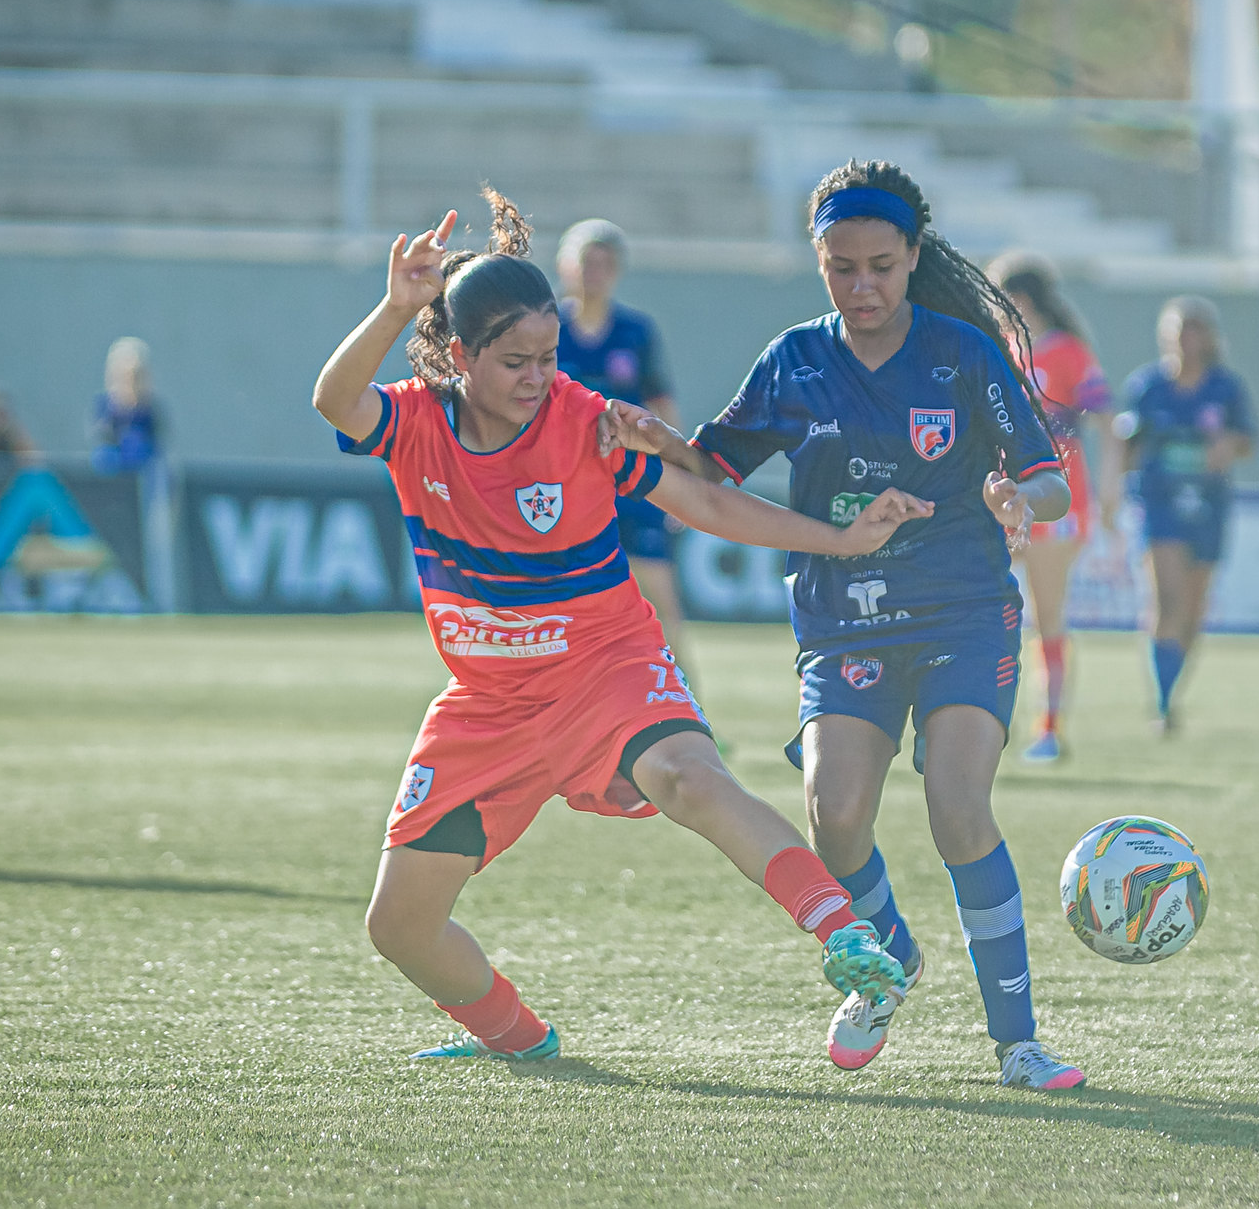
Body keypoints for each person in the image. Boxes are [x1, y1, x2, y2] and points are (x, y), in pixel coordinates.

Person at [313, 189, 928, 1065]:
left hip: (607, 664)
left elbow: (706, 500)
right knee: (400, 924)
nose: (541, 378)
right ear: (458, 356)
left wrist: (839, 537)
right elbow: (335, 399)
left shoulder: (581, 421)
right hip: (488, 704)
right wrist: (393, 306)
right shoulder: (416, 421)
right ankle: (520, 1040)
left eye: (549, 356)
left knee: (688, 775)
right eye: (517, 361)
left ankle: (844, 933)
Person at [600, 160, 1087, 1090]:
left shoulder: (963, 353)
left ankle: (1018, 1042)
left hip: (963, 613)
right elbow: (712, 468)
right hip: (844, 623)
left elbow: (1050, 475)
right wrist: (651, 441)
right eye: (841, 268)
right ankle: (890, 955)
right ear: (818, 262)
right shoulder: (794, 359)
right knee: (836, 814)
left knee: (958, 806)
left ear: (913, 258)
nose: (862, 286)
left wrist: (1018, 498)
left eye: (881, 266)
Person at [986, 252, 1119, 764]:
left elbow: (1107, 420)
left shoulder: (1065, 351)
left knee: (1047, 616)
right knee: (984, 604)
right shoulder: (1002, 349)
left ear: (1020, 298)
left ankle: (1049, 728)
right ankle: (980, 720)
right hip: (1003, 496)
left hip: (1058, 501)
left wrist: (1109, 489)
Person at [1112, 296, 1256, 733]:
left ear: (1208, 337)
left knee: (1193, 610)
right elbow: (1126, 443)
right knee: (1167, 600)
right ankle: (1161, 703)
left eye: (1194, 331)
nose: (1185, 341)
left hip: (1208, 504)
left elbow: (1246, 440)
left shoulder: (1225, 388)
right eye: (1178, 332)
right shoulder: (1148, 387)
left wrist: (1227, 446)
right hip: (1159, 503)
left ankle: (1172, 693)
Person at [552, 219, 694, 658]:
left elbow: (661, 409)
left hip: (631, 480)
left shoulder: (636, 332)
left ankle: (689, 710)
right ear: (564, 266)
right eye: (586, 261)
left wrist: (686, 476)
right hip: (565, 481)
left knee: (660, 600)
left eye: (605, 263)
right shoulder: (544, 328)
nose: (595, 271)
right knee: (561, 606)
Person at [89, 336, 164, 474]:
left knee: (154, 461)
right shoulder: (107, 404)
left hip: (143, 459)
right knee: (102, 457)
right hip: (114, 455)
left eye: (135, 377)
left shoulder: (149, 407)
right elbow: (100, 431)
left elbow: (157, 432)